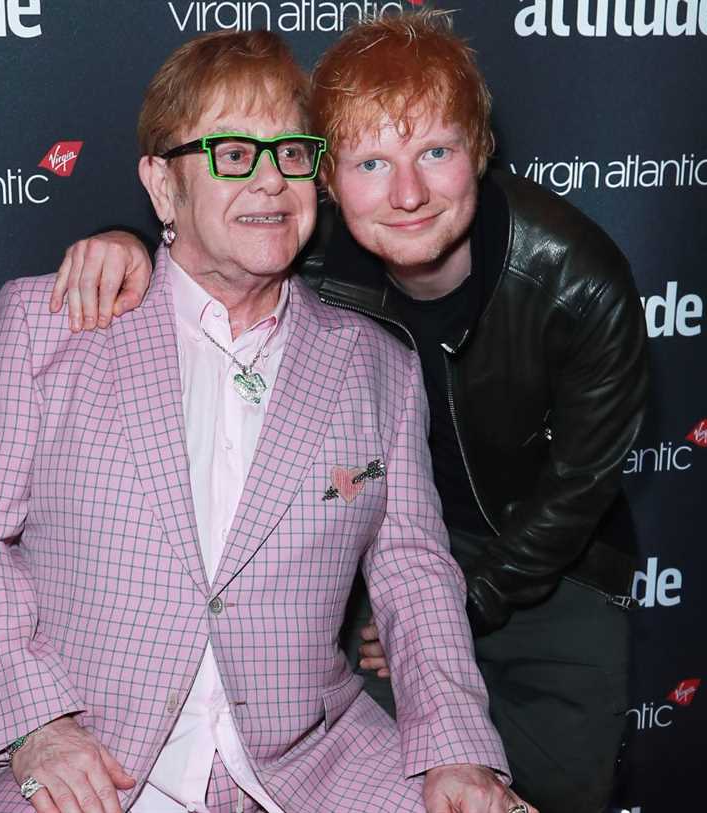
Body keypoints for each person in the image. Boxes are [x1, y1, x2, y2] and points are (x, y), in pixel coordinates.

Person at [48, 12, 650, 813]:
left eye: (436, 151)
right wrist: (122, 239)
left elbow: (581, 481)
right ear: (330, 179)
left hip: (554, 570)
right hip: (395, 565)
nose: (407, 193)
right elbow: (207, 224)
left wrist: (476, 594)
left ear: (481, 151)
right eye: (371, 161)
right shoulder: (302, 235)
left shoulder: (581, 279)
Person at [0, 29, 533, 813]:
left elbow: (414, 579)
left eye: (290, 155)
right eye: (232, 154)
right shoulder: (55, 327)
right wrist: (39, 725)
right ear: (161, 186)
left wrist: (455, 752)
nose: (270, 182)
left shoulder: (378, 367)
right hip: (89, 762)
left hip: (310, 764)